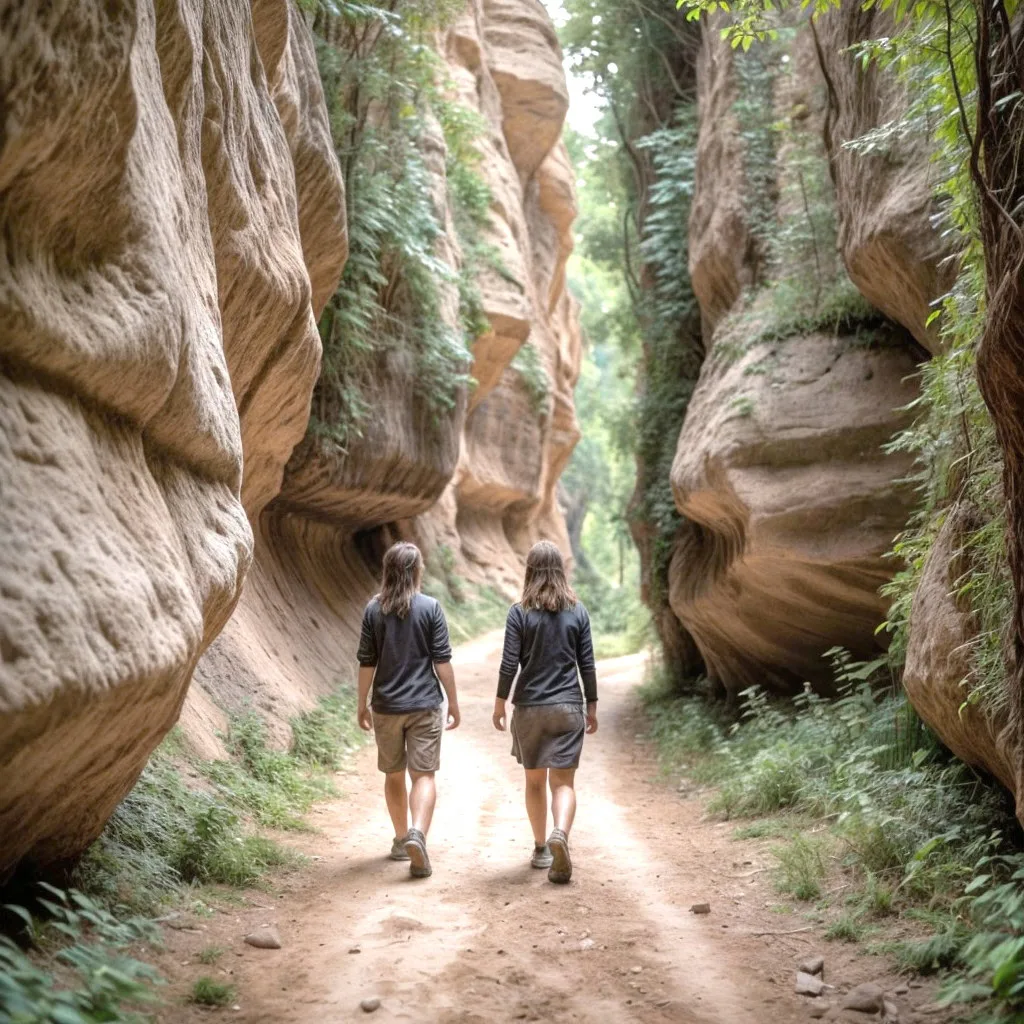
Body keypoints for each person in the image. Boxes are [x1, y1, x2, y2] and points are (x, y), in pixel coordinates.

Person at [492, 540, 598, 884]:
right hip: (568, 705)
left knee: (535, 782)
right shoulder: (577, 611)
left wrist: (499, 702)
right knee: (564, 783)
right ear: (560, 569)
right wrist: (591, 704)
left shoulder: (518, 611)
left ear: (530, 570)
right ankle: (561, 835)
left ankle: (541, 848)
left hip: (530, 707)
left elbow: (509, 663)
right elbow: (587, 663)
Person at [356, 541, 460, 879]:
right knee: (425, 775)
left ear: (387, 570)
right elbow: (441, 660)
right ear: (417, 572)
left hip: (386, 707)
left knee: (393, 774)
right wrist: (453, 701)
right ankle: (418, 832)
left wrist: (362, 703)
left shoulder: (374, 610)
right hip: (424, 705)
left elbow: (366, 662)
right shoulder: (430, 607)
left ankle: (402, 839)